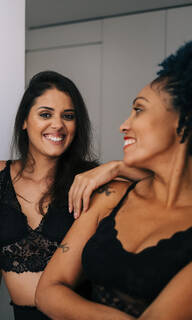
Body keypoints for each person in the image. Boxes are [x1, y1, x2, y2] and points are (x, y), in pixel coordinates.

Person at [36, 41, 192, 319]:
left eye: (139, 110)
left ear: (183, 121)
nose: (124, 124)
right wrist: (117, 168)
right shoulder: (113, 195)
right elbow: (48, 291)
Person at [0, 71, 100, 320]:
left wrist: (114, 168)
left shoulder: (91, 181)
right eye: (46, 114)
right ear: (24, 121)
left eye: (68, 116)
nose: (58, 125)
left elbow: (155, 181)